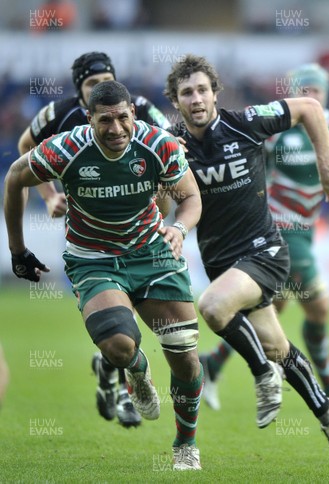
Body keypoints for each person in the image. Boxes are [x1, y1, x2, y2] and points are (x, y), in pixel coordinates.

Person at [5, 80, 204, 470]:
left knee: (184, 356)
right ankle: (137, 371)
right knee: (118, 347)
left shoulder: (157, 143)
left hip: (152, 255)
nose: (115, 128)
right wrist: (18, 250)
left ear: (133, 113)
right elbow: (15, 176)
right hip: (93, 258)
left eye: (122, 118)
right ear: (90, 119)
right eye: (105, 121)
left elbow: (191, 196)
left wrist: (179, 229)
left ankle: (185, 446)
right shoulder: (67, 147)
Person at [164, 54, 329, 462]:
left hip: (264, 252)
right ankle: (327, 412)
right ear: (176, 101)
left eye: (201, 90)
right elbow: (165, 203)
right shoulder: (171, 145)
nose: (196, 99)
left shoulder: (245, 122)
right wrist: (166, 173)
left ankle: (263, 375)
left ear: (215, 93)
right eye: (186, 93)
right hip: (222, 263)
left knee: (212, 307)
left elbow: (309, 108)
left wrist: (325, 165)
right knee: (279, 347)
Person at [197, 63, 329, 415]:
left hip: (307, 231)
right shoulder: (276, 135)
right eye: (303, 91)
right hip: (280, 230)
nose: (311, 97)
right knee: (319, 305)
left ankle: (211, 367)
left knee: (271, 309)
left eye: (317, 90)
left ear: (325, 93)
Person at [17, 51, 172, 428]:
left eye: (105, 79)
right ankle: (121, 383)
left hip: (135, 230)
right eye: (89, 84)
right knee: (117, 316)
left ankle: (115, 378)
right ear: (79, 92)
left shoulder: (141, 109)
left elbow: (170, 150)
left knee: (123, 320)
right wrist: (49, 195)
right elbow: (24, 150)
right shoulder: (58, 116)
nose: (98, 88)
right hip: (86, 234)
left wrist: (156, 208)